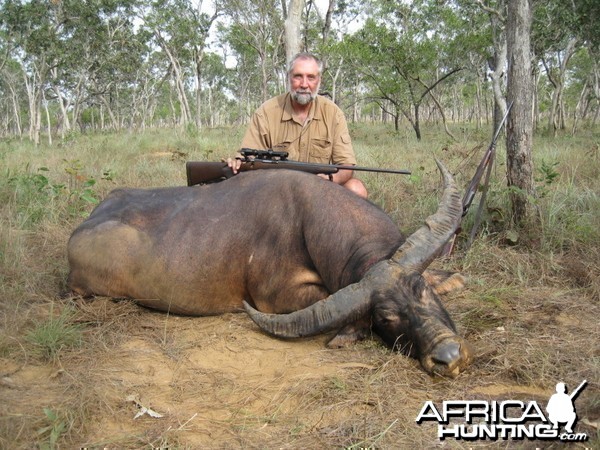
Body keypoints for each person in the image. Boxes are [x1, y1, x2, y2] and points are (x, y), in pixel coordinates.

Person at [228, 52, 368, 198]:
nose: (304, 84)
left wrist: (329, 179)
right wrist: (237, 163)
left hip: (320, 190)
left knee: (356, 188)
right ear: (289, 78)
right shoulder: (265, 113)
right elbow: (247, 161)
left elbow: (346, 166)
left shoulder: (333, 113)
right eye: (298, 76)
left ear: (319, 80)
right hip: (277, 192)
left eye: (311, 77)